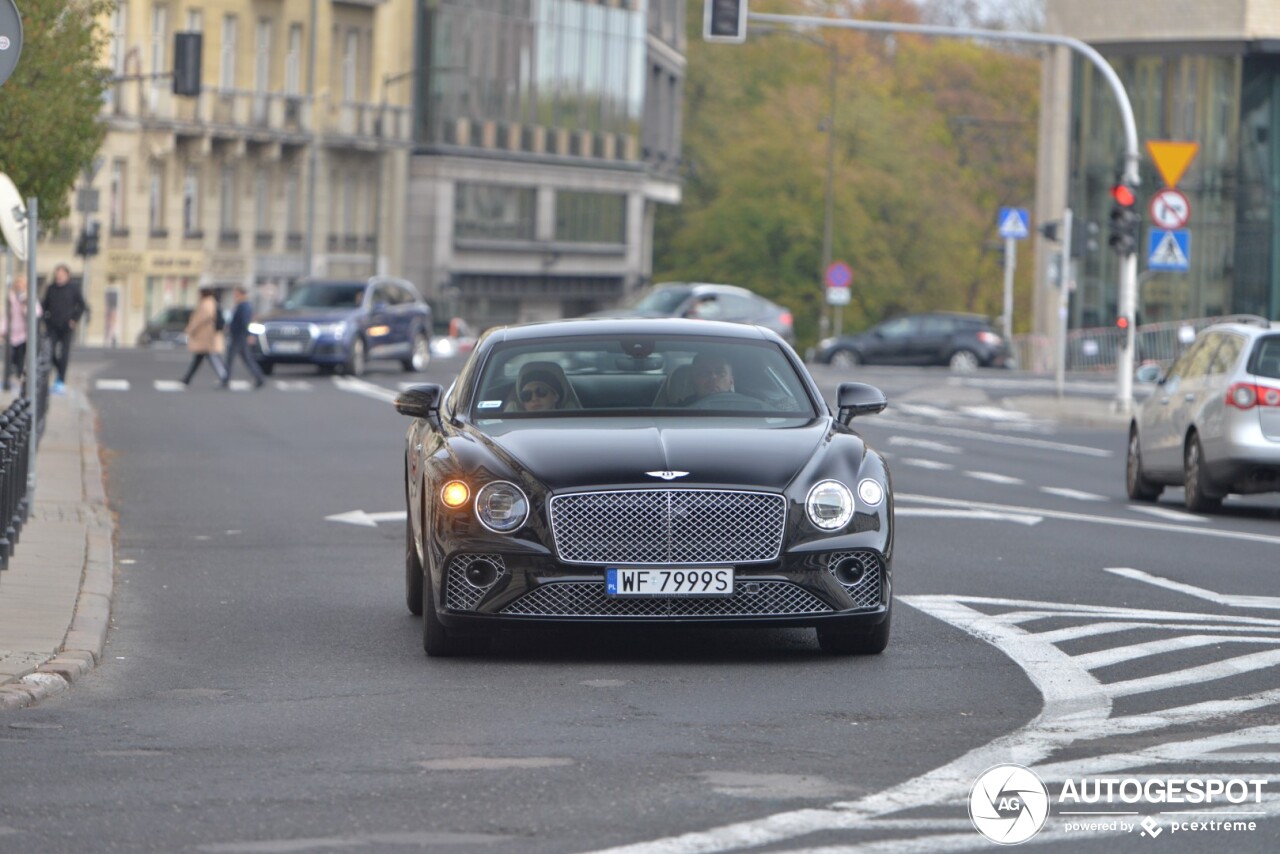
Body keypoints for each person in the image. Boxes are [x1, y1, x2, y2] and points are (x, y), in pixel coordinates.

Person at [40, 264, 86, 395]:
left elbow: (82, 305)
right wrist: (45, 320)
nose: (59, 277)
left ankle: (61, 379)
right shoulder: (51, 288)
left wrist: (74, 320)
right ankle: (59, 369)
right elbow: (44, 305)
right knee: (50, 351)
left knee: (64, 353)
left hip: (67, 326)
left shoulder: (73, 289)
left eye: (61, 274)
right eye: (57, 274)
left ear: (67, 275)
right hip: (52, 325)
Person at [180, 288, 229, 386]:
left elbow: (198, 320)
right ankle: (187, 378)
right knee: (200, 358)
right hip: (207, 337)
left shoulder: (206, 304)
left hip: (206, 336)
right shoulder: (212, 303)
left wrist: (189, 330)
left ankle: (225, 377)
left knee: (212, 357)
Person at [2, 274, 41, 389]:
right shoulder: (11, 297)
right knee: (11, 357)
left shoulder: (30, 297)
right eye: (18, 283)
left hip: (25, 333)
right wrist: (2, 329)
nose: (19, 286)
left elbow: (36, 313)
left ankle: (20, 379)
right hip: (13, 331)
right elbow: (7, 315)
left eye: (22, 284)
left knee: (21, 357)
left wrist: (26, 304)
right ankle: (11, 379)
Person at [222, 286, 265, 388]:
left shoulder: (244, 306)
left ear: (241, 294)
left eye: (236, 293)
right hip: (239, 335)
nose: (235, 296)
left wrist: (248, 335)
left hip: (239, 336)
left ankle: (226, 379)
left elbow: (245, 322)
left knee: (231, 358)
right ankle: (259, 377)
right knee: (246, 358)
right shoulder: (242, 305)